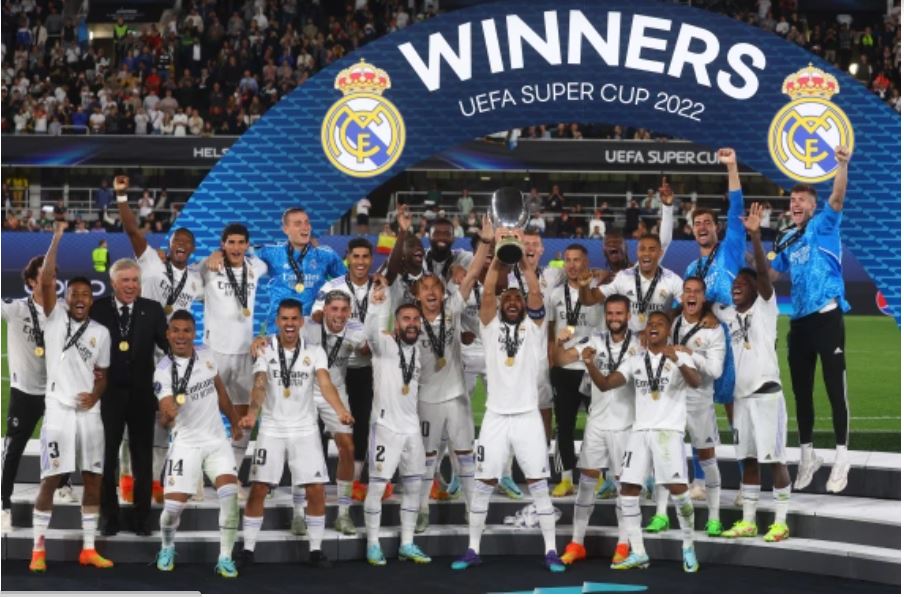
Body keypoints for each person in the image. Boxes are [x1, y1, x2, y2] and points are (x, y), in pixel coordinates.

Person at [451, 234, 565, 573]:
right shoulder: (489, 327)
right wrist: (500, 256)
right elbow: (487, 290)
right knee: (484, 483)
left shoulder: (534, 327)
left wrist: (523, 260)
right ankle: (472, 549)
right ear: (501, 305)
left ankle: (551, 550)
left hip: (528, 416)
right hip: (495, 417)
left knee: (539, 484)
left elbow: (535, 291)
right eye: (508, 298)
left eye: (518, 297)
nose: (513, 301)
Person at [238, 299, 354, 569]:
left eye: (294, 319)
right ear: (277, 321)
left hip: (305, 429)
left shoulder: (315, 351)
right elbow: (259, 384)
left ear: (301, 322)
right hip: (272, 429)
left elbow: (325, 383)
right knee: (258, 488)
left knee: (315, 489)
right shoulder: (265, 349)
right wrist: (252, 414)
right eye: (284, 319)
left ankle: (316, 550)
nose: (289, 324)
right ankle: (247, 549)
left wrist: (340, 411)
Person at [586, 311, 702, 572]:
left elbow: (696, 382)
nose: (653, 327)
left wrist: (678, 360)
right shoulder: (635, 360)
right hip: (639, 432)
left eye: (659, 324)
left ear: (668, 331)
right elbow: (605, 384)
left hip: (668, 432)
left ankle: (688, 547)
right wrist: (590, 364)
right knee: (628, 489)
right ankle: (638, 552)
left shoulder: (680, 356)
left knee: (678, 489)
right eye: (650, 324)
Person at [114, 175, 203, 502]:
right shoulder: (151, 260)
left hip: (171, 360)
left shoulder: (197, 279)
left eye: (187, 242)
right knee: (131, 419)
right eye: (177, 240)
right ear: (169, 245)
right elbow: (131, 230)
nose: (181, 245)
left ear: (192, 249)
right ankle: (126, 477)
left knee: (166, 420)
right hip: (139, 354)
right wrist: (121, 196)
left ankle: (155, 482)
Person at [30, 222, 113, 573]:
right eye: (74, 294)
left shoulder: (101, 333)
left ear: (92, 300)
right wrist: (57, 238)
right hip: (58, 411)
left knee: (93, 479)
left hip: (89, 414)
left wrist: (95, 395)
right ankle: (38, 549)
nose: (80, 299)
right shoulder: (53, 318)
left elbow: (103, 375)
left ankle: (88, 549)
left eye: (85, 295)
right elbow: (47, 279)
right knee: (50, 479)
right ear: (66, 298)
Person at [770, 146, 852, 493]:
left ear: (812, 206)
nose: (795, 204)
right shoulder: (785, 237)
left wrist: (842, 164)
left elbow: (837, 196)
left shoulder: (824, 224)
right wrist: (754, 246)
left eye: (802, 200)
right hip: (800, 323)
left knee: (834, 389)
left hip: (827, 317)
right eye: (792, 200)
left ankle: (842, 457)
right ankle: (808, 457)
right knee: (801, 393)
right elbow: (772, 276)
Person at [717, 203, 792, 543]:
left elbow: (763, 273)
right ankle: (748, 521)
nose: (736, 286)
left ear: (754, 288)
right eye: (734, 283)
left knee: (774, 460)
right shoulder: (729, 316)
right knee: (747, 460)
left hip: (766, 396)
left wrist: (756, 236)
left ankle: (780, 521)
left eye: (741, 283)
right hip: (741, 399)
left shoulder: (764, 307)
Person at [414, 217, 491, 533]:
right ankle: (421, 510)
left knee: (465, 455)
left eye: (436, 288)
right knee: (427, 458)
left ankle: (473, 512)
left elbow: (472, 274)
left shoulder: (452, 309)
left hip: (456, 396)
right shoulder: (410, 322)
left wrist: (485, 242)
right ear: (417, 294)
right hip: (426, 399)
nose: (432, 293)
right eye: (425, 289)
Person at [152, 310, 243, 577]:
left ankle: (225, 557)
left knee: (230, 496)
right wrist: (168, 413)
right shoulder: (162, 371)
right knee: (172, 510)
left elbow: (220, 391)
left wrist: (235, 421)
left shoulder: (206, 353)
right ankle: (167, 547)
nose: (181, 336)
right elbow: (165, 408)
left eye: (187, 330)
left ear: (194, 333)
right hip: (186, 444)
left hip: (216, 441)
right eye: (176, 330)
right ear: (168, 334)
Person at [553, 294, 640, 567]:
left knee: (624, 486)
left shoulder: (639, 344)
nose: (614, 318)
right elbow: (562, 360)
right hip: (597, 424)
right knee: (586, 482)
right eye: (610, 313)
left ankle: (623, 544)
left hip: (626, 425)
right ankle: (577, 543)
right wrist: (559, 342)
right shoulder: (595, 340)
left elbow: (607, 382)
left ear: (628, 315)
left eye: (619, 313)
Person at [91, 258, 168, 537]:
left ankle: (142, 518)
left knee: (142, 458)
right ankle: (108, 517)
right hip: (108, 396)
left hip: (142, 395)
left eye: (135, 280)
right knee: (106, 458)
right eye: (125, 280)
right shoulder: (98, 309)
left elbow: (169, 348)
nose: (131, 286)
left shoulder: (153, 309)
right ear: (113, 283)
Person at [644, 277, 724, 536]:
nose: (691, 295)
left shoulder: (714, 330)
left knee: (707, 458)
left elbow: (716, 370)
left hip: (699, 401)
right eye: (687, 291)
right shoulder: (674, 322)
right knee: (665, 457)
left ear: (703, 297)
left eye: (697, 292)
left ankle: (714, 518)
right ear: (682, 297)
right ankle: (660, 515)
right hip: (672, 399)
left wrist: (688, 354)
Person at [2, 253, 76, 528]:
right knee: (14, 449)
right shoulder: (16, 309)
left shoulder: (63, 311)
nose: (50, 281)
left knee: (63, 439)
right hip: (24, 391)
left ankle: (64, 484)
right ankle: (3, 504)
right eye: (45, 276)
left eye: (54, 276)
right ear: (32, 281)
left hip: (56, 391)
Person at [362, 282, 431, 566]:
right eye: (405, 319)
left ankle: (407, 543)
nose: (411, 323)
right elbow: (370, 331)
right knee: (377, 488)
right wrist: (376, 304)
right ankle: (373, 544)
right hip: (385, 428)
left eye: (415, 319)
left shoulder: (420, 349)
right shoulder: (384, 345)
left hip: (411, 429)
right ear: (396, 322)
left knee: (414, 488)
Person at [201, 224, 268, 492]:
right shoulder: (208, 267)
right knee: (204, 414)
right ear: (223, 244)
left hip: (243, 353)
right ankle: (195, 477)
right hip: (214, 352)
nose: (236, 247)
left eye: (241, 242)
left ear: (247, 245)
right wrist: (212, 255)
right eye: (231, 242)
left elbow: (271, 256)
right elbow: (185, 269)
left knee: (243, 418)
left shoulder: (256, 267)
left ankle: (231, 474)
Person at [311, 238, 377, 502]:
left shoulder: (380, 287)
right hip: (332, 364)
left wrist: (363, 339)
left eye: (365, 256)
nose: (360, 261)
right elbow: (317, 315)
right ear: (347, 257)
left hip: (362, 367)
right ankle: (315, 480)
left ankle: (355, 482)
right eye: (355, 256)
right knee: (317, 425)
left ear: (371, 259)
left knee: (358, 423)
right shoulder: (332, 286)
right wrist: (340, 325)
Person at [300, 292, 367, 535]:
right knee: (302, 449)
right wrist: (260, 340)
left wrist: (369, 346)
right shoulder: (307, 327)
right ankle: (298, 514)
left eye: (344, 309)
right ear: (325, 310)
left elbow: (369, 351)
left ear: (349, 312)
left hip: (336, 393)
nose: (339, 314)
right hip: (306, 391)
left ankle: (343, 514)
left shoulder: (356, 330)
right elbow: (281, 338)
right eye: (334, 309)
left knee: (347, 447)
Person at [547, 245, 603, 498]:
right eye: (568, 260)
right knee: (564, 425)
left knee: (597, 425)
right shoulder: (555, 294)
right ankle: (566, 479)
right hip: (564, 368)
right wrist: (553, 361)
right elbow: (550, 332)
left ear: (586, 262)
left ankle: (598, 476)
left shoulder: (598, 292)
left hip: (592, 367)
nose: (572, 265)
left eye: (577, 260)